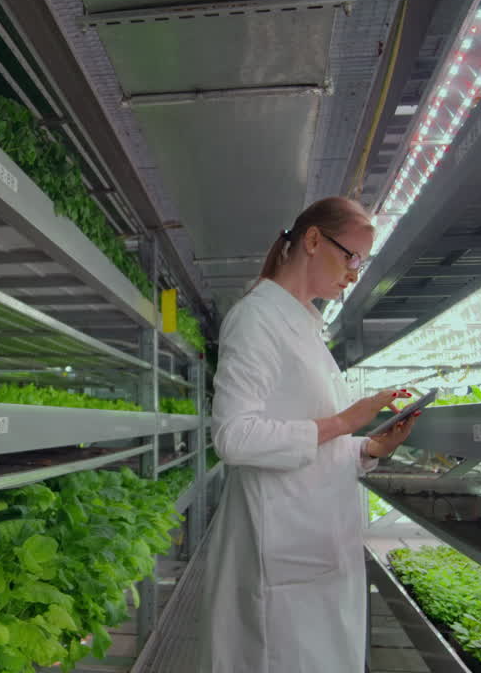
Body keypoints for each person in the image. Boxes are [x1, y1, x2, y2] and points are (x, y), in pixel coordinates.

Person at [199, 196, 421, 673]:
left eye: (361, 262)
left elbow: (306, 432)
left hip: (312, 544)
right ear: (314, 240)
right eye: (351, 256)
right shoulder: (257, 318)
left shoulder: (303, 326)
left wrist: (369, 447)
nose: (355, 272)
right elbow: (234, 436)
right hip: (281, 555)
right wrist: (347, 421)